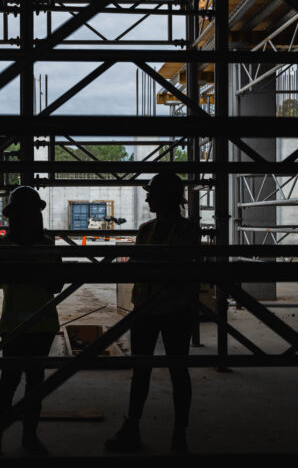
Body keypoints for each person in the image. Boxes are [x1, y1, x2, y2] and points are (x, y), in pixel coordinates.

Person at [104, 173, 200, 454]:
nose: (147, 198)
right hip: (145, 309)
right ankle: (132, 427)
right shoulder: (146, 229)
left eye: (152, 194)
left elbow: (175, 265)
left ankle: (179, 433)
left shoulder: (186, 230)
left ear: (167, 198)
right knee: (141, 370)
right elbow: (140, 264)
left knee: (178, 371)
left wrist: (150, 264)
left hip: (175, 311)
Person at [0, 186, 62, 457]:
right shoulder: (4, 245)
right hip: (16, 326)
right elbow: (6, 277)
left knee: (34, 385)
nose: (26, 217)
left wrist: (29, 270)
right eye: (21, 213)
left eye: (29, 212)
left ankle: (29, 436)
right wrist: (38, 270)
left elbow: (56, 284)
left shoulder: (47, 244)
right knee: (9, 383)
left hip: (42, 326)